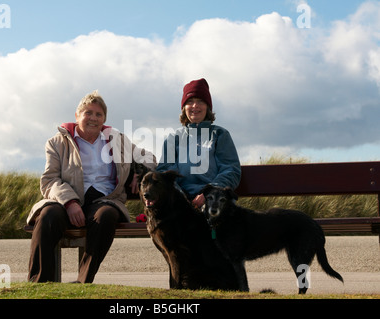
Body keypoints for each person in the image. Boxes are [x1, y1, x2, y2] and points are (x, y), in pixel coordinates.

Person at [27, 90, 156, 283]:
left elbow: (151, 159)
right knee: (48, 216)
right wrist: (70, 202)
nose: (93, 118)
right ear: (77, 116)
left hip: (105, 200)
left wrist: (139, 171)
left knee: (105, 217)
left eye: (99, 114)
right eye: (88, 113)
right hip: (66, 200)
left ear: (104, 119)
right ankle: (40, 283)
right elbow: (50, 180)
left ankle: (83, 282)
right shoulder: (57, 142)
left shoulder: (117, 140)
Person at [157, 78, 241, 208]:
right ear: (184, 108)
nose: (195, 106)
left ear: (207, 107)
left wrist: (210, 193)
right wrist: (181, 198)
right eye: (190, 101)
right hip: (180, 201)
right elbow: (166, 173)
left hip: (214, 200)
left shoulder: (220, 134)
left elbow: (230, 170)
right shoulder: (173, 138)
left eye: (200, 101)